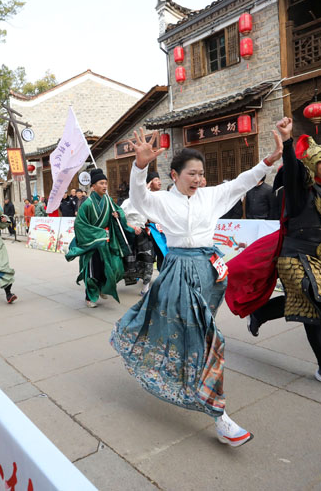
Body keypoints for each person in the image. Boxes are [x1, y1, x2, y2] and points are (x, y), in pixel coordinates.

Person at [110, 126, 284, 447]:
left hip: (209, 272)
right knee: (208, 338)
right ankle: (221, 416)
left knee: (196, 335)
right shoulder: (161, 201)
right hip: (178, 270)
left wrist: (268, 161)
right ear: (175, 175)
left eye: (201, 174)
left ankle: (189, 379)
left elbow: (241, 182)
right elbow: (139, 198)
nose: (198, 179)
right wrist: (139, 166)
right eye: (191, 173)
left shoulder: (211, 196)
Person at [244, 120, 321, 393]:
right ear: (312, 166)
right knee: (315, 311)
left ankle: (260, 312)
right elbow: (292, 171)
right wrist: (288, 142)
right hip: (294, 256)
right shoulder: (300, 189)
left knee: (309, 304)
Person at [65, 168, 132, 308]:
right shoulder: (87, 204)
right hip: (92, 242)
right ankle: (89, 296)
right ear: (93, 186)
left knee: (112, 268)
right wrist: (98, 235)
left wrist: (117, 215)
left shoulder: (108, 200)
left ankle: (102, 288)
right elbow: (80, 224)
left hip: (106, 242)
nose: (104, 186)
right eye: (101, 183)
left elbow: (118, 211)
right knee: (92, 270)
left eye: (106, 183)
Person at [120, 170, 161, 294]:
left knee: (148, 259)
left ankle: (145, 287)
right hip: (131, 235)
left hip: (143, 234)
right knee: (130, 262)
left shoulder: (145, 202)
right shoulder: (127, 203)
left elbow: (150, 217)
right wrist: (133, 228)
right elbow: (121, 220)